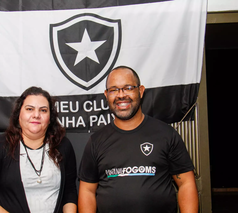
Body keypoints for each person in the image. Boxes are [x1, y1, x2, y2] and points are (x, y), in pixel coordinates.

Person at [78, 66, 198, 213]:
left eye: (128, 88)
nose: (121, 95)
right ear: (106, 95)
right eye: (114, 89)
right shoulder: (96, 141)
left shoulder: (166, 134)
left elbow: (186, 183)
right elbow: (87, 190)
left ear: (140, 91)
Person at [0, 86, 78, 213]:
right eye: (29, 109)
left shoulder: (63, 146)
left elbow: (69, 192)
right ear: (18, 115)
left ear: (50, 118)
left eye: (43, 110)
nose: (36, 115)